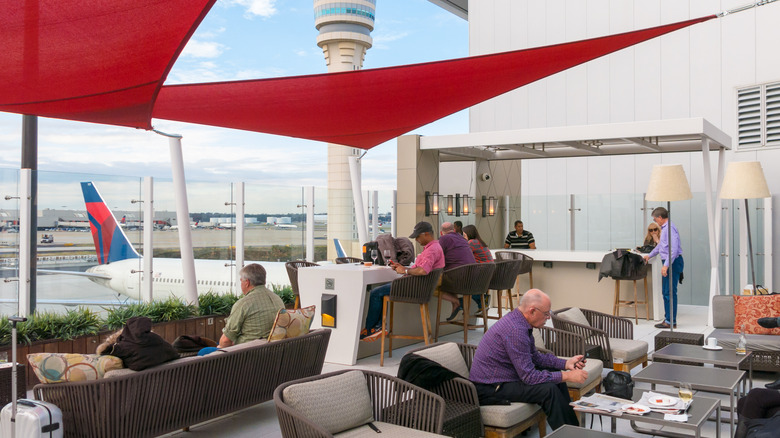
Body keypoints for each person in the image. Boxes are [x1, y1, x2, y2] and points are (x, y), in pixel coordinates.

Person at [469, 289, 587, 430]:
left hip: (504, 378)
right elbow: (529, 377)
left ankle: (572, 431)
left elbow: (535, 358)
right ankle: (571, 434)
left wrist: (566, 364)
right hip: (490, 386)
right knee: (548, 390)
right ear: (532, 311)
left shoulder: (520, 322)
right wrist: (567, 376)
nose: (548, 317)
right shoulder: (516, 330)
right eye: (546, 313)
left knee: (555, 374)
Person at [360, 221, 445, 341]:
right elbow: (421, 269)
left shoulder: (431, 250)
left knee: (376, 293)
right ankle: (375, 328)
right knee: (382, 289)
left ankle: (372, 329)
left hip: (415, 288)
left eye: (417, 237)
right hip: (421, 287)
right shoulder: (436, 247)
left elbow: (422, 271)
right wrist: (401, 267)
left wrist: (405, 271)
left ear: (426, 234)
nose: (416, 240)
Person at [219, 263, 284, 347]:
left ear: (247, 282)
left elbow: (225, 341)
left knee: (204, 351)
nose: (241, 283)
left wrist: (220, 348)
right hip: (272, 351)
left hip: (247, 354)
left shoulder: (244, 304)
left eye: (241, 280)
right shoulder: (277, 299)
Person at [643, 207, 684, 329]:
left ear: (660, 217)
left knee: (669, 292)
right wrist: (649, 255)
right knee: (666, 291)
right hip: (670, 261)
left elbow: (673, 250)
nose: (655, 222)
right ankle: (669, 319)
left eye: (655, 219)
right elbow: (662, 246)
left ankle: (670, 321)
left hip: (673, 262)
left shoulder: (670, 228)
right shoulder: (665, 228)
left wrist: (666, 265)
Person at [438, 221, 478, 321]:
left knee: (432, 284)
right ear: (454, 230)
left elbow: (437, 256)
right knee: (448, 277)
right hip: (475, 279)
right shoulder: (462, 238)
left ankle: (456, 302)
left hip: (459, 278)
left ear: (441, 232)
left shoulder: (444, 238)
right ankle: (456, 307)